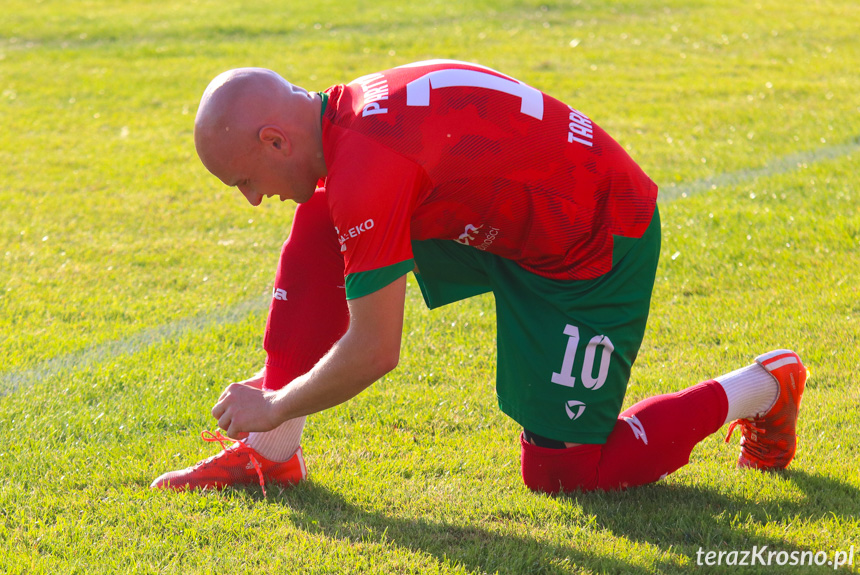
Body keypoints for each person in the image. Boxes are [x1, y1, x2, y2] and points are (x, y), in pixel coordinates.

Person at [151, 60, 807, 494]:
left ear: (275, 140)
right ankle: (270, 454)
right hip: (508, 214)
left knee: (563, 473)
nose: (251, 200)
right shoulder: (347, 115)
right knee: (322, 216)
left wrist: (275, 397)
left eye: (243, 180)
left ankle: (762, 388)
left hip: (593, 243)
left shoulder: (367, 164)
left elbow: (375, 350)